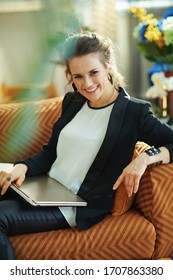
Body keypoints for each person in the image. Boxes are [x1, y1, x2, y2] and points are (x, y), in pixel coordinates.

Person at [0, 32, 173, 260]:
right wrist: (22, 167)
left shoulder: (134, 112)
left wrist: (144, 158)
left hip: (76, 205)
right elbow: (51, 152)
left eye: (94, 73)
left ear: (109, 67)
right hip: (46, 189)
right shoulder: (73, 102)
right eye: (78, 76)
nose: (87, 84)